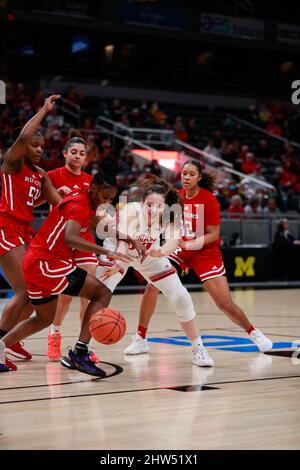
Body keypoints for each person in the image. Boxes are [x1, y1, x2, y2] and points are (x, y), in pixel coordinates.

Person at [124, 160, 273, 356]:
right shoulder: (176, 196)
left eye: (191, 174)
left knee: (223, 303)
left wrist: (191, 244)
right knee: (152, 285)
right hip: (181, 248)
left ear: (199, 177)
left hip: (205, 251)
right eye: (184, 173)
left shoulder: (209, 199)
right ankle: (141, 338)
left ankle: (254, 333)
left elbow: (213, 234)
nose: (186, 177)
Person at [0, 171, 141, 375]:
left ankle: (1, 345)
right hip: (47, 263)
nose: (107, 201)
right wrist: (107, 251)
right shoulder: (79, 205)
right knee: (102, 293)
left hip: (38, 263)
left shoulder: (83, 196)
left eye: (111, 198)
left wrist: (127, 238)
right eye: (105, 197)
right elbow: (71, 238)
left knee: (44, 317)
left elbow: (95, 225)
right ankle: (79, 354)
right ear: (93, 189)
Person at [96, 177, 214, 367]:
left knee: (181, 296)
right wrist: (118, 263)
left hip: (148, 255)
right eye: (149, 205)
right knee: (99, 295)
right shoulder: (131, 210)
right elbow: (124, 241)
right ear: (142, 202)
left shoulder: (170, 215)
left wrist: (162, 251)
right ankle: (84, 350)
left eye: (158, 207)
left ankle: (199, 349)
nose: (153, 210)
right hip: (118, 252)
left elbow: (173, 242)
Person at [0, 95, 63, 370]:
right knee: (24, 289)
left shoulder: (40, 174)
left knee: (36, 290)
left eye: (42, 146)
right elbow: (24, 137)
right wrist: (43, 110)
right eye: (35, 145)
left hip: (24, 232)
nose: (39, 149)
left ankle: (10, 338)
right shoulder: (11, 163)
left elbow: (59, 204)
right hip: (4, 227)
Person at [43, 132, 99, 362]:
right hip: (60, 239)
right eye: (73, 152)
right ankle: (54, 333)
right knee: (66, 294)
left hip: (84, 238)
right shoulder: (52, 176)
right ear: (65, 154)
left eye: (82, 153)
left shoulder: (90, 181)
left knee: (90, 293)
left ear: (86, 158)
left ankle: (82, 345)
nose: (77, 156)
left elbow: (93, 213)